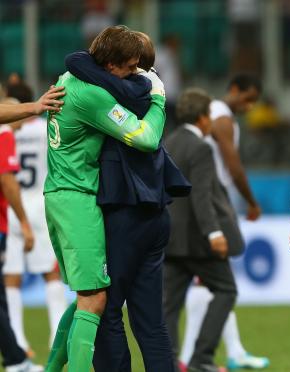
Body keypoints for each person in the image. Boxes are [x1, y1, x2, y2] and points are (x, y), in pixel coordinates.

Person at [63, 31, 191, 371]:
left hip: (125, 213)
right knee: (151, 323)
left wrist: (85, 59)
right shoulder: (148, 87)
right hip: (156, 214)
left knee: (104, 311)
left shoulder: (125, 92)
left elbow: (77, 62)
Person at [43, 25, 166, 372]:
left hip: (61, 193)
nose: (133, 74)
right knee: (95, 298)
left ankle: (51, 369)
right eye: (129, 67)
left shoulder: (69, 75)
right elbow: (145, 137)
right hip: (77, 199)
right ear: (110, 66)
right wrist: (157, 99)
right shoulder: (92, 96)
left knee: (89, 294)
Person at [179, 74, 268, 370]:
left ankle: (230, 351)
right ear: (233, 90)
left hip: (208, 199)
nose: (250, 105)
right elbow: (232, 164)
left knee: (214, 280)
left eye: (254, 100)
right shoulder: (221, 118)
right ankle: (193, 356)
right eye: (247, 97)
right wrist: (252, 201)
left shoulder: (218, 115)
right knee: (216, 279)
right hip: (210, 202)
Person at [163, 88, 244, 372]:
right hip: (197, 240)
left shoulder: (167, 142)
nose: (211, 121)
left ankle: (169, 362)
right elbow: (201, 195)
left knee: (168, 305)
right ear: (200, 118)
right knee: (226, 289)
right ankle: (202, 359)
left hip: (169, 238)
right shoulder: (201, 148)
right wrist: (214, 233)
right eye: (209, 115)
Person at [3, 80, 68, 356]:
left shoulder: (6, 128)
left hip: (10, 205)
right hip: (39, 202)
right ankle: (57, 335)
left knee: (10, 276)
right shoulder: (45, 130)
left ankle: (17, 339)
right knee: (51, 272)